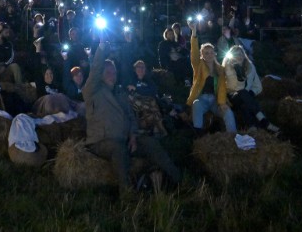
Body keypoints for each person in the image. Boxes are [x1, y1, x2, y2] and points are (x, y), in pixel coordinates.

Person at [84, 40, 182, 194]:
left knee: (150, 143)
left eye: (114, 72)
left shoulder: (121, 93)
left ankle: (177, 179)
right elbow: (95, 70)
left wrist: (133, 136)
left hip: (125, 139)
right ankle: (127, 193)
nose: (112, 75)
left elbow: (130, 117)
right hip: (102, 142)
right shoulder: (92, 91)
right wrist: (101, 48)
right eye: (108, 72)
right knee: (118, 149)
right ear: (100, 75)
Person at [186, 21, 235, 134]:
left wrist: (222, 103)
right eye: (206, 53)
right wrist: (194, 32)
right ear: (202, 55)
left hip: (215, 100)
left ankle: (233, 136)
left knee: (228, 112)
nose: (209, 55)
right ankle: (197, 134)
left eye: (211, 52)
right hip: (201, 98)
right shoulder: (198, 65)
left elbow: (222, 87)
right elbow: (194, 53)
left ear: (214, 54)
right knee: (196, 104)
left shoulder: (220, 69)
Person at [223, 45, 279, 132]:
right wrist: (224, 100)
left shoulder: (250, 67)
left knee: (244, 104)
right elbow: (221, 86)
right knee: (242, 93)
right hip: (232, 98)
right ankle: (265, 122)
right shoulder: (226, 68)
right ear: (232, 57)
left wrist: (252, 93)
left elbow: (258, 85)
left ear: (244, 55)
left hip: (246, 97)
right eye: (236, 54)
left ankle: (252, 128)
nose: (239, 56)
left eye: (241, 54)